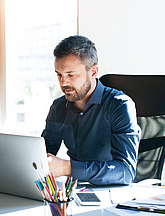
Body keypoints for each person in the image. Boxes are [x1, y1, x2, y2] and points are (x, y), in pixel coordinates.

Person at [42, 35, 141, 185]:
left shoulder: (120, 105)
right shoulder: (58, 107)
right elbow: (42, 155)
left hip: (113, 193)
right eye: (59, 75)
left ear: (93, 72)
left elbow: (125, 172)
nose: (63, 82)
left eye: (71, 74)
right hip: (74, 190)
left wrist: (68, 167)